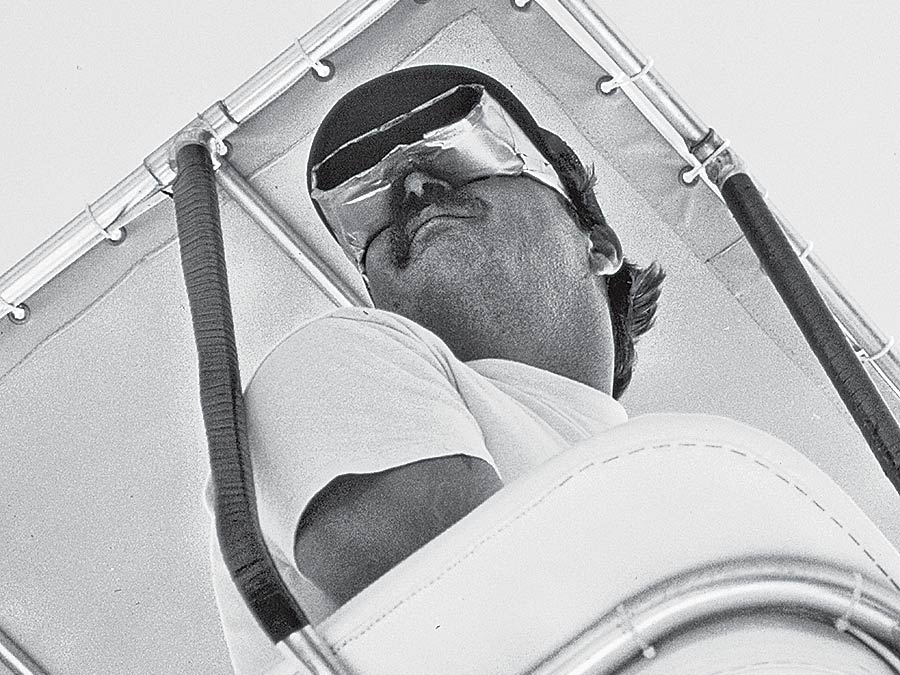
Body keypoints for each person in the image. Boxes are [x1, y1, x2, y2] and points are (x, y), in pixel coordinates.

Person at [208, 64, 665, 672]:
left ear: (598, 243)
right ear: (375, 298)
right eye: (368, 208)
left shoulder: (669, 474)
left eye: (462, 157)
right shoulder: (340, 358)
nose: (416, 193)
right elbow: (498, 631)